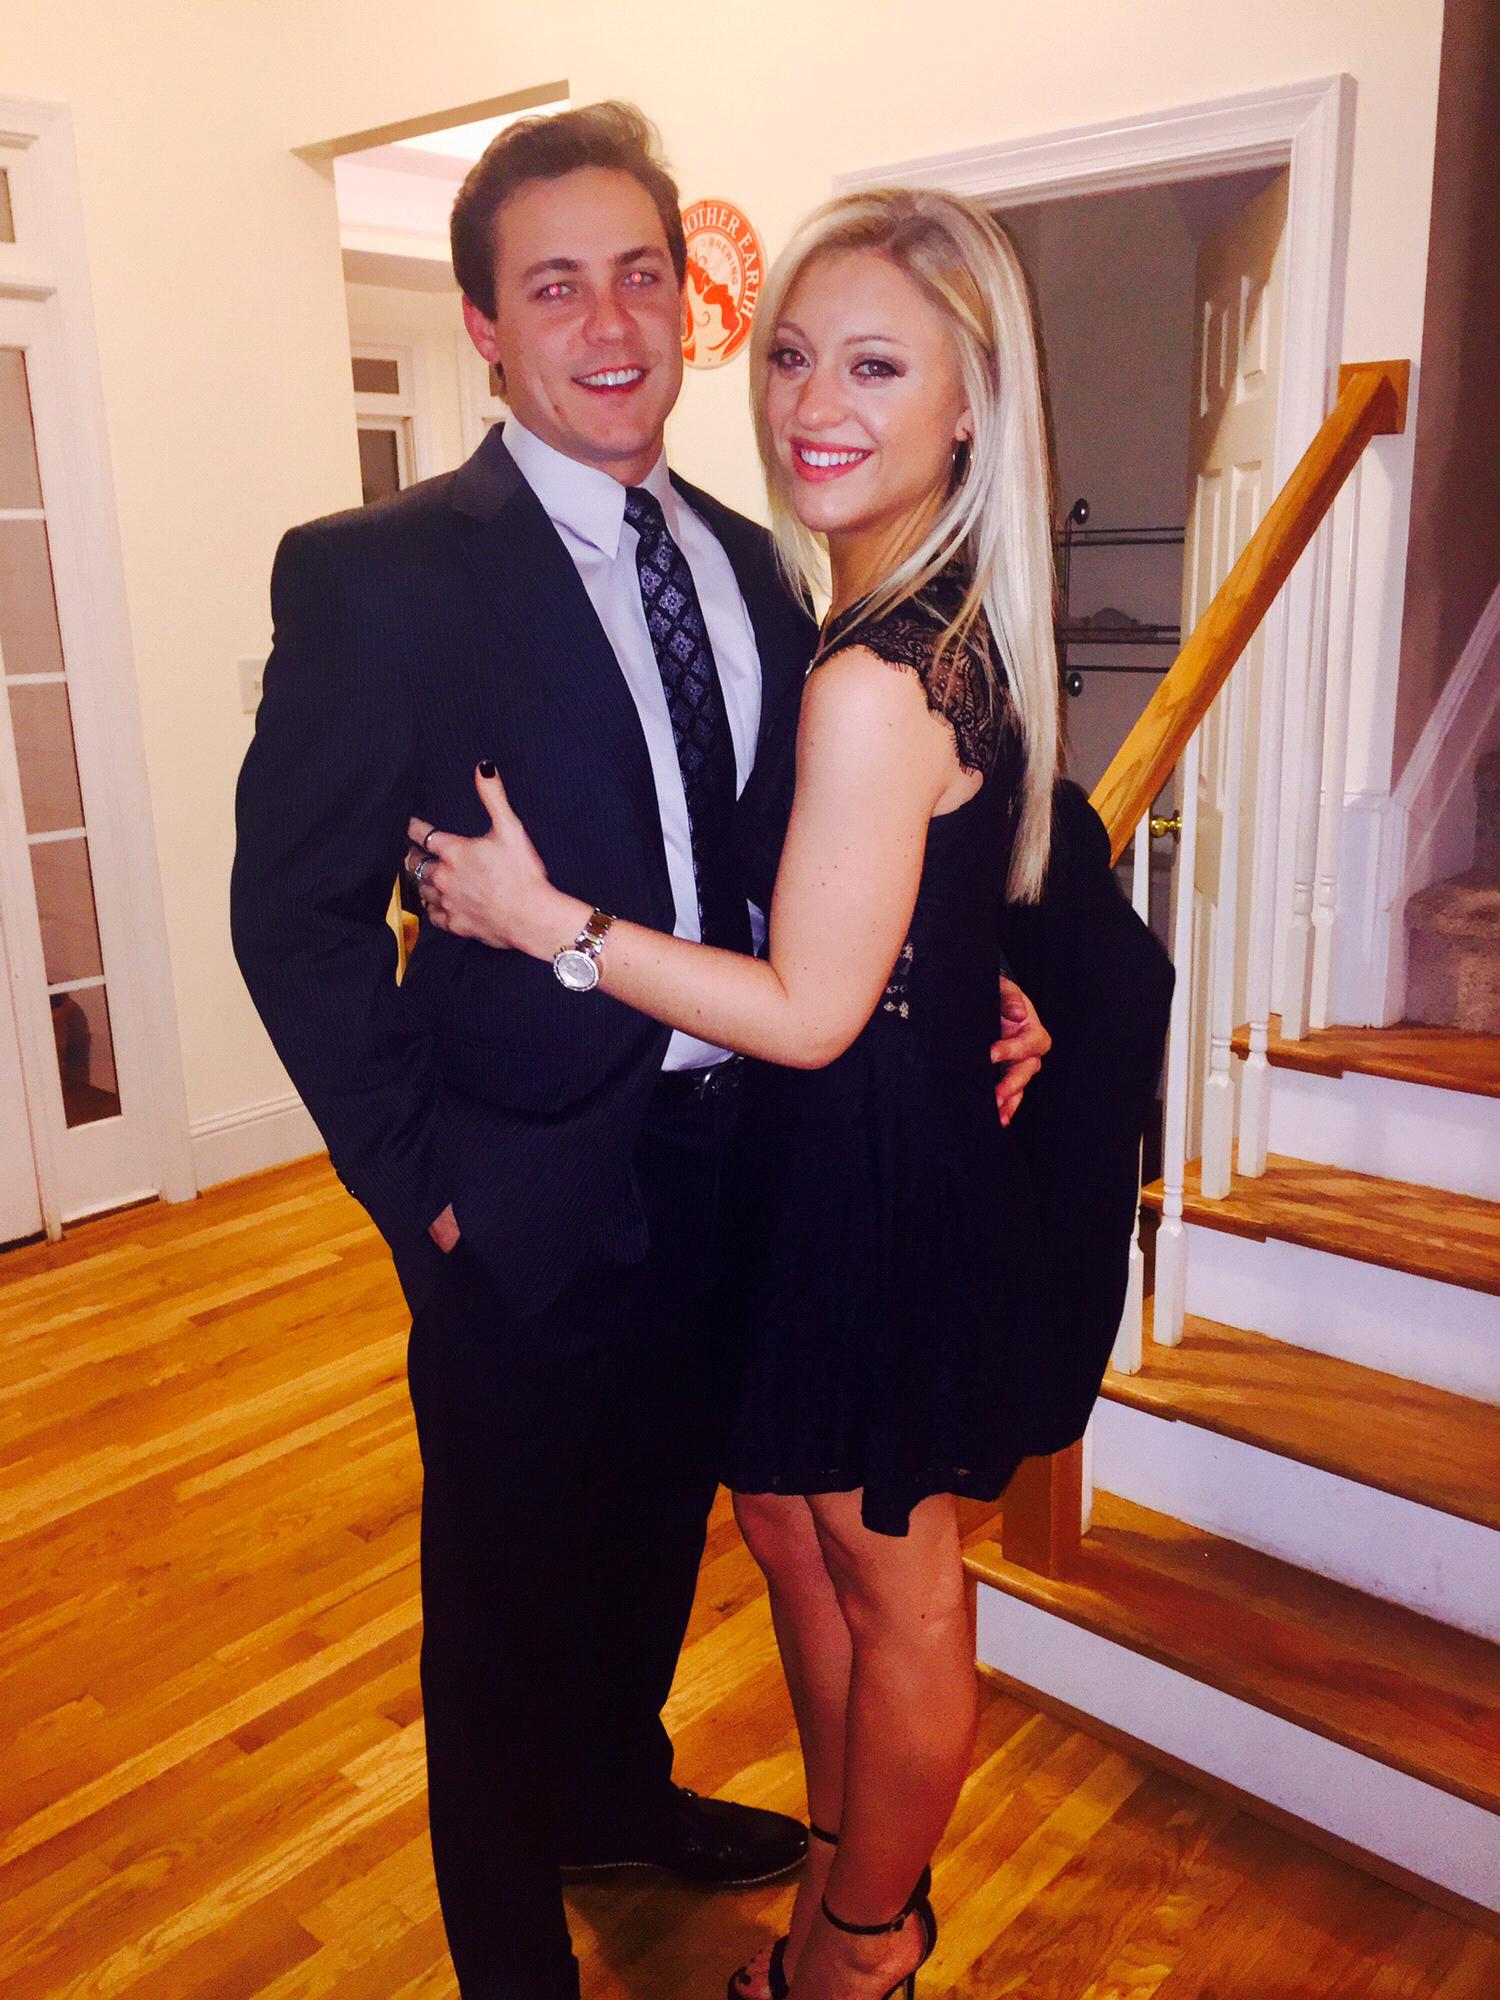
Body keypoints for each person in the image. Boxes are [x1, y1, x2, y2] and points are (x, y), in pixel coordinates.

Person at [230, 106, 1050, 2000]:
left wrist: (988, 976)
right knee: (502, 1600)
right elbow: (296, 919)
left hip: (750, 1169)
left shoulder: (768, 564)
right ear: (482, 326)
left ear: (686, 301)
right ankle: (513, 1950)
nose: (608, 325)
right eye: (552, 286)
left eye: (638, 276)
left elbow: (841, 851)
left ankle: (616, 1792)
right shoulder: (376, 575)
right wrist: (425, 1190)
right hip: (516, 1190)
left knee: (660, 1544)